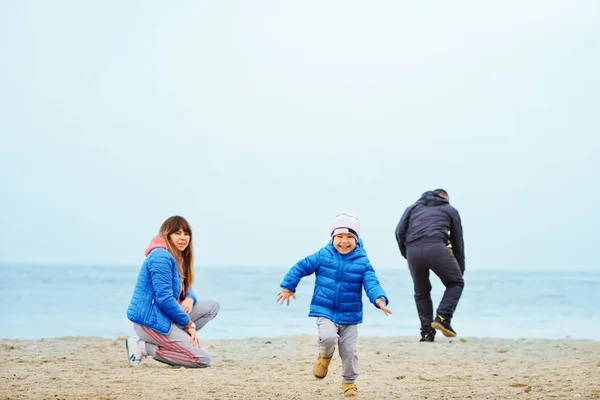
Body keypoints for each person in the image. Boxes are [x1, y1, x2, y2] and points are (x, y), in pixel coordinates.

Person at [277, 213, 391, 398]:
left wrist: (379, 300)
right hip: (325, 309)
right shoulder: (323, 255)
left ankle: (349, 383)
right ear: (332, 237)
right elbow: (300, 267)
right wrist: (288, 287)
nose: (344, 242)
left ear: (357, 239)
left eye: (349, 237)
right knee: (328, 337)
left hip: (350, 314)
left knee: (349, 352)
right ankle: (324, 356)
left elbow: (372, 282)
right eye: (340, 237)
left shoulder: (362, 261)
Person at [125, 215, 220, 367]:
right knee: (202, 359)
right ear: (166, 235)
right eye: (177, 233)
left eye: (186, 233)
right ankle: (143, 346)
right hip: (150, 322)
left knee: (212, 306)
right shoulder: (160, 256)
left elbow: (186, 286)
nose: (183, 238)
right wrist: (189, 325)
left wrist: (189, 298)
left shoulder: (178, 257)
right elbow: (164, 298)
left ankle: (178, 341)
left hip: (166, 317)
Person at [395, 189, 465, 342]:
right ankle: (443, 317)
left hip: (412, 250)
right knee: (456, 283)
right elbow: (457, 241)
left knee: (421, 292)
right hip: (436, 247)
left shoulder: (412, 208)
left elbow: (399, 231)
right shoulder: (450, 209)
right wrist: (460, 269)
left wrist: (406, 253)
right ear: (445, 198)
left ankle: (426, 334)